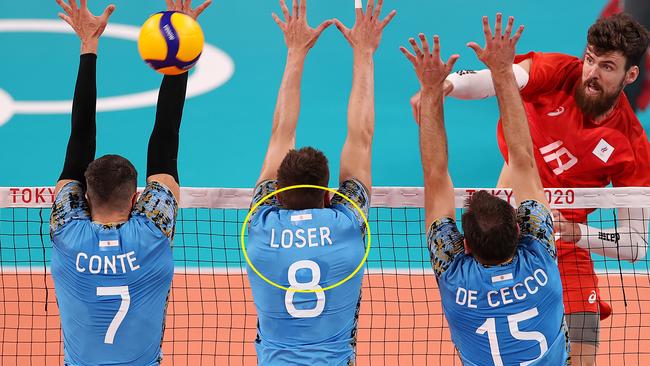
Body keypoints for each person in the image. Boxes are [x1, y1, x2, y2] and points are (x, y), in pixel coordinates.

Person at [411, 12, 650, 365]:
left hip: (568, 248)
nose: (592, 74)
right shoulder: (558, 72)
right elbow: (498, 79)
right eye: (590, 59)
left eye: (607, 67)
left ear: (631, 75)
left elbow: (636, 244)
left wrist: (577, 233)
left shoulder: (632, 145)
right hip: (512, 234)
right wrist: (447, 87)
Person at [401, 14, 569, 365]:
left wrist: (432, 92)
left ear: (465, 246)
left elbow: (435, 175)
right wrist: (504, 72)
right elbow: (523, 158)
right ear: (521, 230)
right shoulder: (541, 260)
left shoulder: (455, 277)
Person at [49, 0, 210, 364]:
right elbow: (166, 140)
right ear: (138, 197)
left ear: (84, 196)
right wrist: (179, 52)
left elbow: (79, 142)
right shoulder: (153, 229)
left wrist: (88, 45)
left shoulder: (68, 230)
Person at [245, 0, 394, 364]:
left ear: (277, 192)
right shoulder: (347, 223)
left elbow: (281, 132)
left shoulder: (260, 229)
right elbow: (362, 136)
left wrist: (295, 53)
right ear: (329, 195)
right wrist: (365, 53)